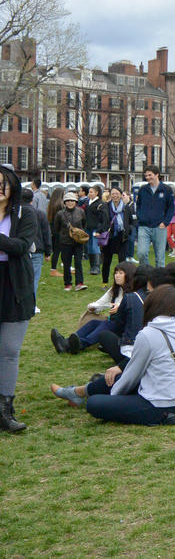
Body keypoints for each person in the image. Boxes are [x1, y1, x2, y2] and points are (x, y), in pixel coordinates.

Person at [50, 285, 175, 426]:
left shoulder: (149, 334)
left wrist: (114, 396)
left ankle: (79, 393)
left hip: (162, 405)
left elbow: (131, 376)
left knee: (95, 403)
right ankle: (78, 392)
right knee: (114, 377)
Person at [0, 166, 37, 432]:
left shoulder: (26, 214)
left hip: (15, 286)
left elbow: (21, 246)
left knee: (10, 351)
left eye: (3, 183)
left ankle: (5, 409)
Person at [50, 261, 137, 355]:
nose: (117, 275)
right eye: (116, 273)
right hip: (115, 323)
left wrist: (119, 308)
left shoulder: (134, 293)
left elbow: (132, 311)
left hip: (127, 329)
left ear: (129, 275)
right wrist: (93, 307)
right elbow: (100, 303)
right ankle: (66, 343)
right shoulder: (115, 289)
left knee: (107, 324)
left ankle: (80, 344)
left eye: (121, 273)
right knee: (93, 323)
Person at [135, 165, 175, 268]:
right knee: (141, 253)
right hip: (144, 227)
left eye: (150, 175)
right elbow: (138, 205)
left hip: (159, 227)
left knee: (160, 258)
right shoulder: (143, 190)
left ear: (157, 175)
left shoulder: (166, 190)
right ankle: (145, 274)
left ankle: (159, 281)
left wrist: (165, 223)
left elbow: (171, 208)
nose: (147, 177)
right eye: (146, 175)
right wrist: (140, 218)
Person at [20, 187, 49, 309]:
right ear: (32, 200)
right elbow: (46, 233)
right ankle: (31, 304)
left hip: (21, 249)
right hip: (37, 249)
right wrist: (48, 251)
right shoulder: (40, 213)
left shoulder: (16, 212)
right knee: (34, 278)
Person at [54, 192, 87, 291]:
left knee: (78, 262)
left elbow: (84, 224)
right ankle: (67, 283)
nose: (70, 203)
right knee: (66, 263)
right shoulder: (60, 214)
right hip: (65, 242)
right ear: (64, 202)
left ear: (76, 202)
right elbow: (56, 228)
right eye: (67, 201)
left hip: (78, 242)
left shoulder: (81, 212)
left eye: (72, 201)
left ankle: (79, 283)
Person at [100, 186, 133, 285]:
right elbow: (101, 221)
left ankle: (122, 282)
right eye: (113, 193)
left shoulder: (126, 207)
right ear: (110, 195)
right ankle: (104, 282)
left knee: (122, 261)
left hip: (121, 237)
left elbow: (130, 221)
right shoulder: (105, 206)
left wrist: (128, 230)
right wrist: (101, 230)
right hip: (109, 237)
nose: (115, 195)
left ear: (121, 195)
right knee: (106, 261)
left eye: (117, 193)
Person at [47, 185, 66, 276]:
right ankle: (53, 269)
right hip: (60, 230)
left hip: (53, 229)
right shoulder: (60, 205)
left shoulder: (51, 204)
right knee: (59, 250)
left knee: (57, 250)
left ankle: (63, 266)